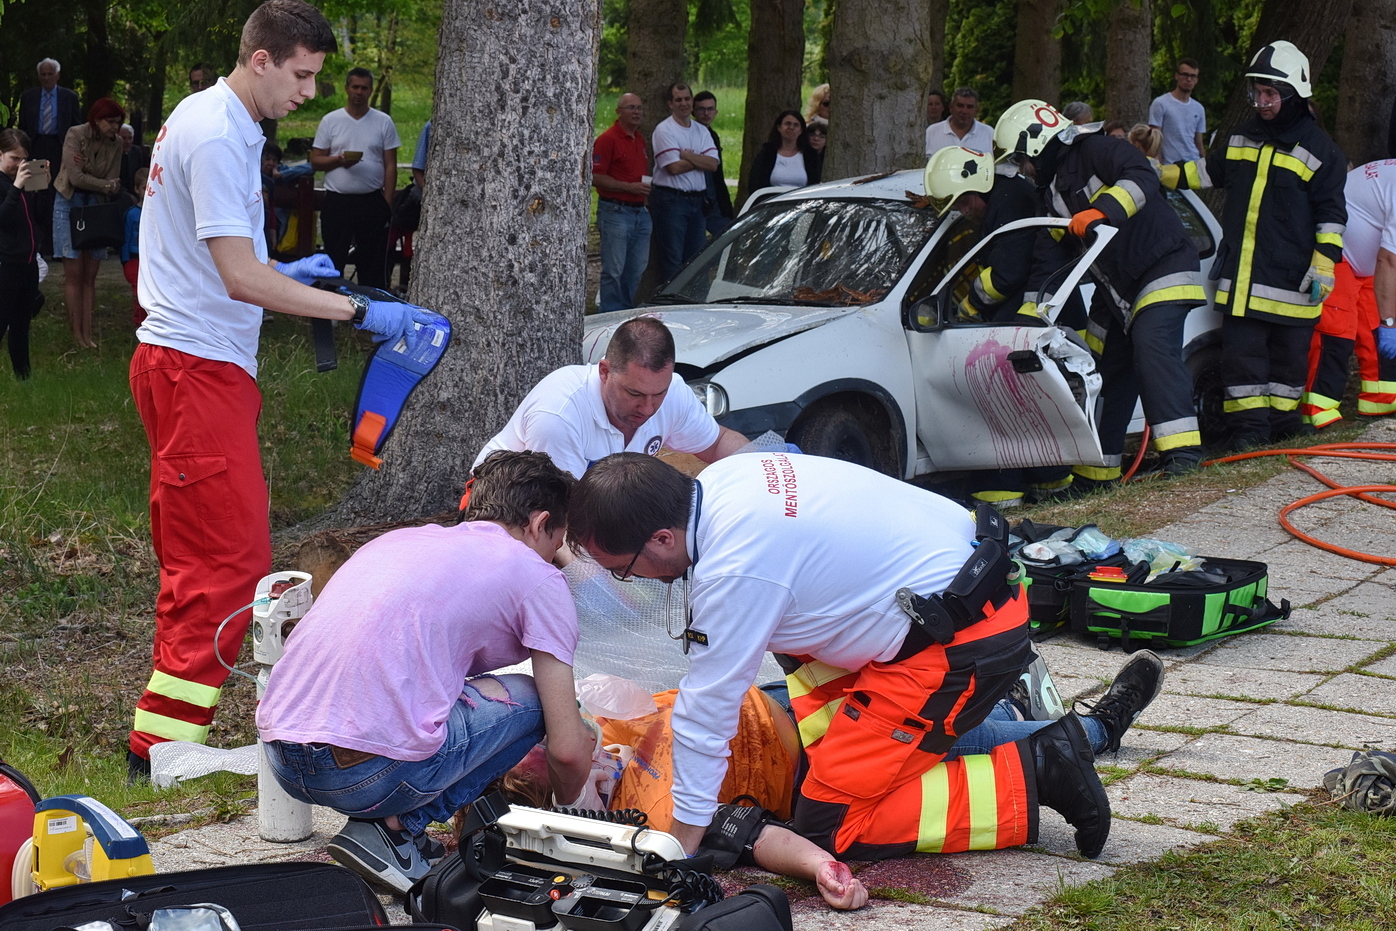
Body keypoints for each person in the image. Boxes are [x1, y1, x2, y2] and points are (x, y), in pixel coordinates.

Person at [567, 451, 1166, 861]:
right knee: (849, 752)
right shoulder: (727, 480)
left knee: (830, 825)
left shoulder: (734, 570)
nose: (634, 580)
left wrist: (681, 844)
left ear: (664, 538)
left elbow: (708, 713)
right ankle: (1067, 730)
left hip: (956, 644)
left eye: (627, 567)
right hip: (959, 604)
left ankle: (1038, 768)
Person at [127, 0, 435, 778]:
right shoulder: (223, 135)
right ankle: (162, 752)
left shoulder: (200, 116)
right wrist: (358, 308)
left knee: (197, 554)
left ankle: (160, 740)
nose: (309, 93)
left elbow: (221, 258)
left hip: (186, 360)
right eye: (300, 75)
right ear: (260, 59)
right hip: (197, 368)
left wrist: (282, 270)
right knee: (229, 565)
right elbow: (238, 275)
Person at [259, 451, 597, 893]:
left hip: (280, 757)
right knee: (537, 704)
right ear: (539, 523)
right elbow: (569, 749)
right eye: (559, 541)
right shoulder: (537, 575)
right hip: (360, 774)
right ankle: (397, 829)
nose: (555, 556)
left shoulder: (398, 542)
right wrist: (580, 830)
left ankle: (390, 831)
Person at [1000, 99, 1207, 490]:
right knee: (1106, 369)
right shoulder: (1052, 195)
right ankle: (1097, 474)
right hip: (1118, 292)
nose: (1025, 170)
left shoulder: (1097, 149)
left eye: (1024, 160)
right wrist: (1030, 317)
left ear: (1038, 146)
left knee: (1152, 346)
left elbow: (1140, 175)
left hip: (1161, 265)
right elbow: (1049, 265)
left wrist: (1103, 210)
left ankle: (1183, 455)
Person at [1160, 41, 1347, 450]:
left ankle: (1281, 427)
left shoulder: (1322, 152)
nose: (1261, 102)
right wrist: (1162, 175)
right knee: (1241, 363)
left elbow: (1332, 215)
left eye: (1269, 95)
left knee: (1288, 363)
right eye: (1256, 93)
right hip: (1242, 283)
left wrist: (1324, 262)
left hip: (1293, 281)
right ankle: (1249, 435)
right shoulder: (1243, 136)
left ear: (1294, 95)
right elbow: (1208, 171)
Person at [923, 145, 1070, 506]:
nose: (963, 212)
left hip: (1031, 319)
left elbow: (1006, 273)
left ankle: (1005, 487)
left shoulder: (1008, 204)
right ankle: (1047, 482)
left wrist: (968, 308)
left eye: (963, 202)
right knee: (1030, 403)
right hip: (1030, 316)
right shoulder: (1006, 198)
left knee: (1007, 400)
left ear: (978, 188)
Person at [473, 315, 748, 480]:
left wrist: (765, 471)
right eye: (634, 393)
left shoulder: (674, 391)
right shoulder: (559, 415)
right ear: (605, 371)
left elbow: (718, 443)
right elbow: (564, 521)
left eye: (658, 393)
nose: (648, 408)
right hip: (508, 515)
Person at [1302, 160, 1396, 427]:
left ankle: (1382, 399)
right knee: (1336, 332)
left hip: (1365, 261)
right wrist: (1391, 322)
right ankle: (1317, 411)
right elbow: (1389, 261)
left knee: (1374, 327)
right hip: (1335, 253)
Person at [311, 67, 401, 288]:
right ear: (347, 89)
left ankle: (370, 313)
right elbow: (315, 160)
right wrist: (339, 160)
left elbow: (390, 165)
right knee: (333, 257)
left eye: (364, 88)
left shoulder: (383, 121)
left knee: (372, 261)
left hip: (371, 201)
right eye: (355, 87)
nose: (359, 92)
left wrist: (386, 203)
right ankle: (329, 311)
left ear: (371, 91)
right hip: (337, 201)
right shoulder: (331, 120)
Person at [53, 96, 125, 350]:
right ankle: (75, 336)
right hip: (68, 204)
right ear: (96, 118)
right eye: (110, 121)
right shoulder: (75, 134)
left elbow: (114, 182)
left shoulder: (116, 144)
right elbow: (74, 177)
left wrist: (94, 177)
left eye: (118, 123)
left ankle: (88, 335)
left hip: (97, 208)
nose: (115, 127)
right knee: (73, 274)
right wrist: (103, 182)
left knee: (90, 276)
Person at [649, 83, 719, 282]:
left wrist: (686, 155)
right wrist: (699, 159)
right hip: (672, 201)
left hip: (698, 202)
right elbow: (673, 168)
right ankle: (670, 308)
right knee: (673, 260)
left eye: (687, 99)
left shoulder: (701, 130)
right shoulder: (664, 130)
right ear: (670, 104)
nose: (684, 103)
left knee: (697, 259)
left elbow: (713, 164)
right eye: (678, 100)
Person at [592, 94, 652, 313]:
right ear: (619, 111)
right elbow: (595, 177)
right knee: (614, 270)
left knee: (636, 268)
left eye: (639, 108)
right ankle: (608, 314)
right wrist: (629, 187)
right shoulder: (608, 140)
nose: (636, 112)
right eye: (631, 108)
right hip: (615, 211)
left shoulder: (639, 139)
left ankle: (625, 312)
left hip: (640, 212)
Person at [18, 59, 82, 258]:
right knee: (36, 194)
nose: (46, 78)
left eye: (50, 74)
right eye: (43, 74)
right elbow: (22, 127)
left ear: (57, 75)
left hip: (59, 148)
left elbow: (76, 125)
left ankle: (58, 246)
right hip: (36, 147)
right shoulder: (28, 97)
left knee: (57, 193)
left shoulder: (69, 97)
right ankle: (38, 245)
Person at [0, 129, 43, 380]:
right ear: (1, 154)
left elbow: (36, 218)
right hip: (6, 262)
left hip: (27, 262)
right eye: (14, 158)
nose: (19, 165)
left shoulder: (23, 182)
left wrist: (38, 187)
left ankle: (23, 376)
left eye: (23, 159)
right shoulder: (8, 183)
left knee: (21, 323)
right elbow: (3, 218)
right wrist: (17, 188)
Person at [745, 110, 821, 195]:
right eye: (787, 123)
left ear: (801, 130)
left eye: (796, 125)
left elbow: (815, 185)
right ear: (779, 128)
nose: (791, 127)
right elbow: (755, 184)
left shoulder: (810, 155)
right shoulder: (767, 153)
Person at [1148, 59, 1207, 163]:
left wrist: (1205, 162)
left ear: (1196, 80)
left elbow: (1198, 142)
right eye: (1185, 74)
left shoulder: (1199, 108)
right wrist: (1159, 165)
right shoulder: (1161, 103)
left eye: (1193, 76)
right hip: (1170, 165)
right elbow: (1155, 139)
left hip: (1194, 164)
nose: (1189, 79)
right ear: (1177, 76)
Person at [692, 91, 733, 237]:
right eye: (701, 109)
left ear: (716, 112)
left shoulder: (712, 135)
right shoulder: (689, 134)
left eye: (710, 109)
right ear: (693, 111)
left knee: (727, 236)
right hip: (694, 198)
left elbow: (717, 173)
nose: (706, 114)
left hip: (713, 197)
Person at [925, 87, 994, 157]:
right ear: (951, 107)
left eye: (969, 107)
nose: (964, 111)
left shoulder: (989, 134)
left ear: (976, 110)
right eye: (960, 106)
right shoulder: (931, 132)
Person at [121, 167, 148, 326]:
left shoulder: (159, 211)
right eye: (145, 187)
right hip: (135, 259)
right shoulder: (132, 214)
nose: (148, 191)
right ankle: (139, 323)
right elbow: (126, 237)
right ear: (137, 189)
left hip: (153, 259)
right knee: (138, 294)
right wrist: (125, 260)